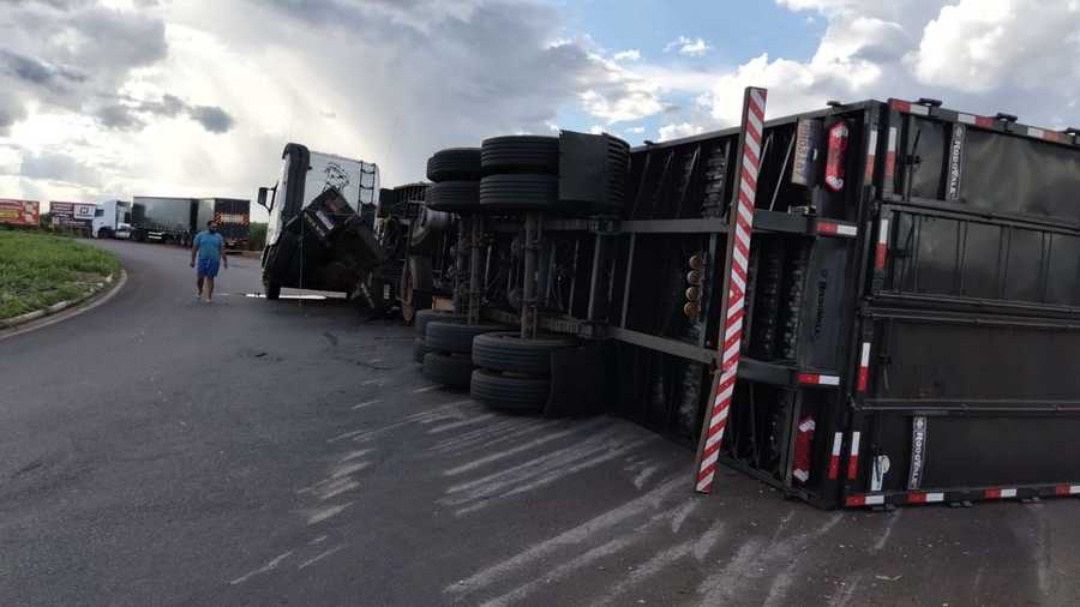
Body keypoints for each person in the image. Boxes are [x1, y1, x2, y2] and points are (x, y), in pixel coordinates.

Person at [190, 220, 227, 302]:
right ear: (208, 226)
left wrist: (225, 261)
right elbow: (194, 248)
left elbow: (222, 250)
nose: (215, 228)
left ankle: (209, 296)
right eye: (213, 227)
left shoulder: (219, 237)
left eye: (216, 227)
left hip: (214, 260)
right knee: (200, 278)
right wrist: (192, 260)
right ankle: (200, 290)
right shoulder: (200, 235)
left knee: (210, 277)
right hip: (202, 259)